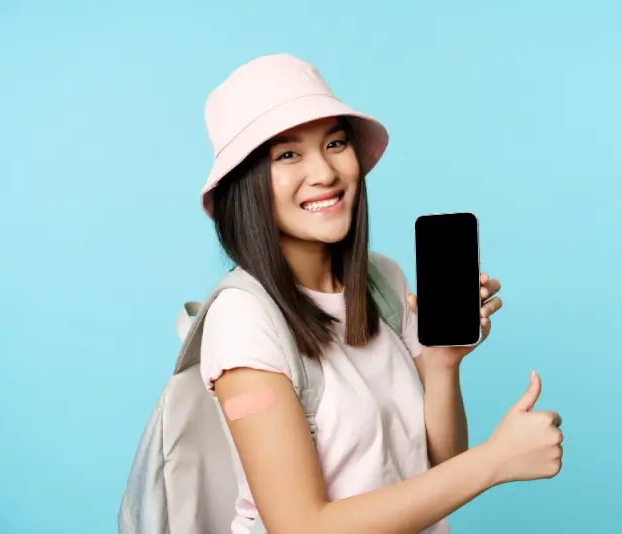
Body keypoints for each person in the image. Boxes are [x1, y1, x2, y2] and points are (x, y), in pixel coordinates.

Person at [196, 53, 563, 534]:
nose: (324, 172)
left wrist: (442, 363)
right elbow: (301, 526)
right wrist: (495, 461)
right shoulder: (244, 319)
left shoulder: (382, 282)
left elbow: (437, 466)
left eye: (335, 142)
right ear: (243, 185)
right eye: (288, 154)